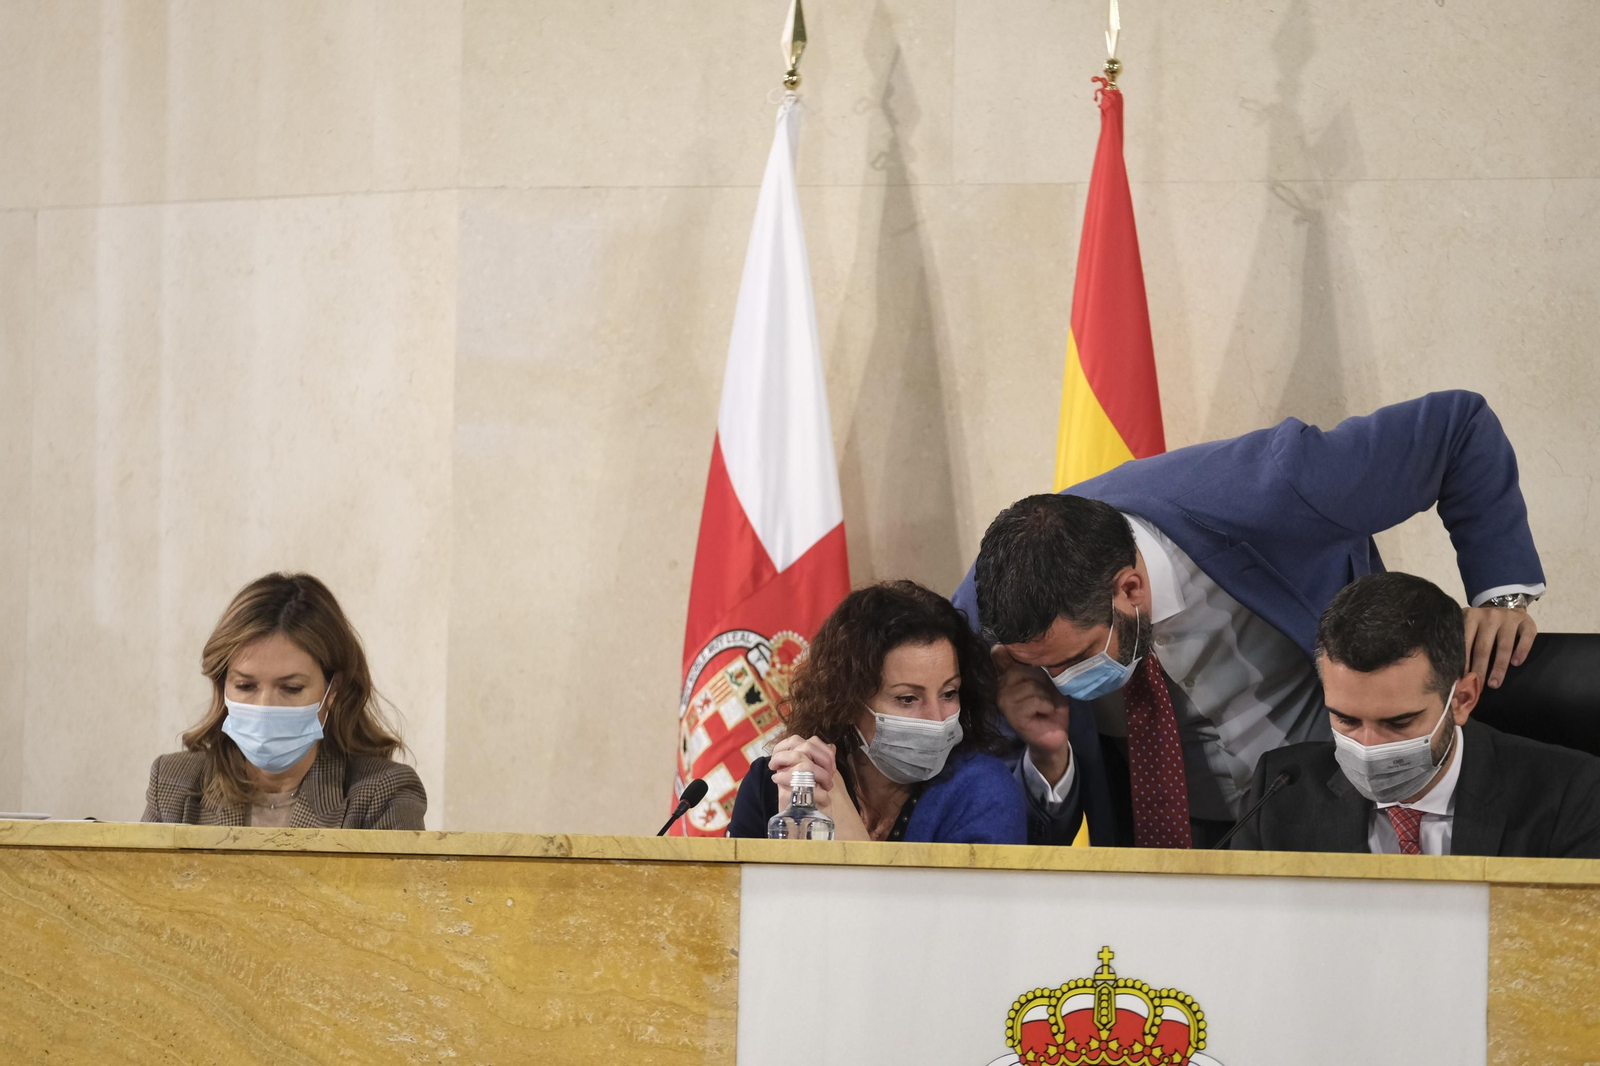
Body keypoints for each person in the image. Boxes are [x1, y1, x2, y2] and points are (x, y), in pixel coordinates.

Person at [953, 391, 1546, 849]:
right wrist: (1041, 758)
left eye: (1073, 660)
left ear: (1130, 588)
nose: (1059, 680)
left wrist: (1502, 595)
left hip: (1338, 812)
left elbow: (1457, 429)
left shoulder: (1274, 486)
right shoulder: (992, 605)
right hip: (1169, 839)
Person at [1230, 573, 1600, 857]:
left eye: (1398, 722)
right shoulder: (1279, 793)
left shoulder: (1571, 793)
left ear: (1462, 700)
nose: (1368, 747)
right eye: (1347, 720)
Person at [728, 581, 1027, 844]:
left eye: (949, 693)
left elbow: (962, 911)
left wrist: (842, 822)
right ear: (848, 700)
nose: (937, 719)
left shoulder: (984, 791)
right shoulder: (776, 782)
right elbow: (731, 902)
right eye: (908, 698)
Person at [143, 572, 426, 830]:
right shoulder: (172, 784)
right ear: (223, 687)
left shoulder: (383, 792)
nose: (265, 707)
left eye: (291, 688)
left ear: (333, 690)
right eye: (245, 685)